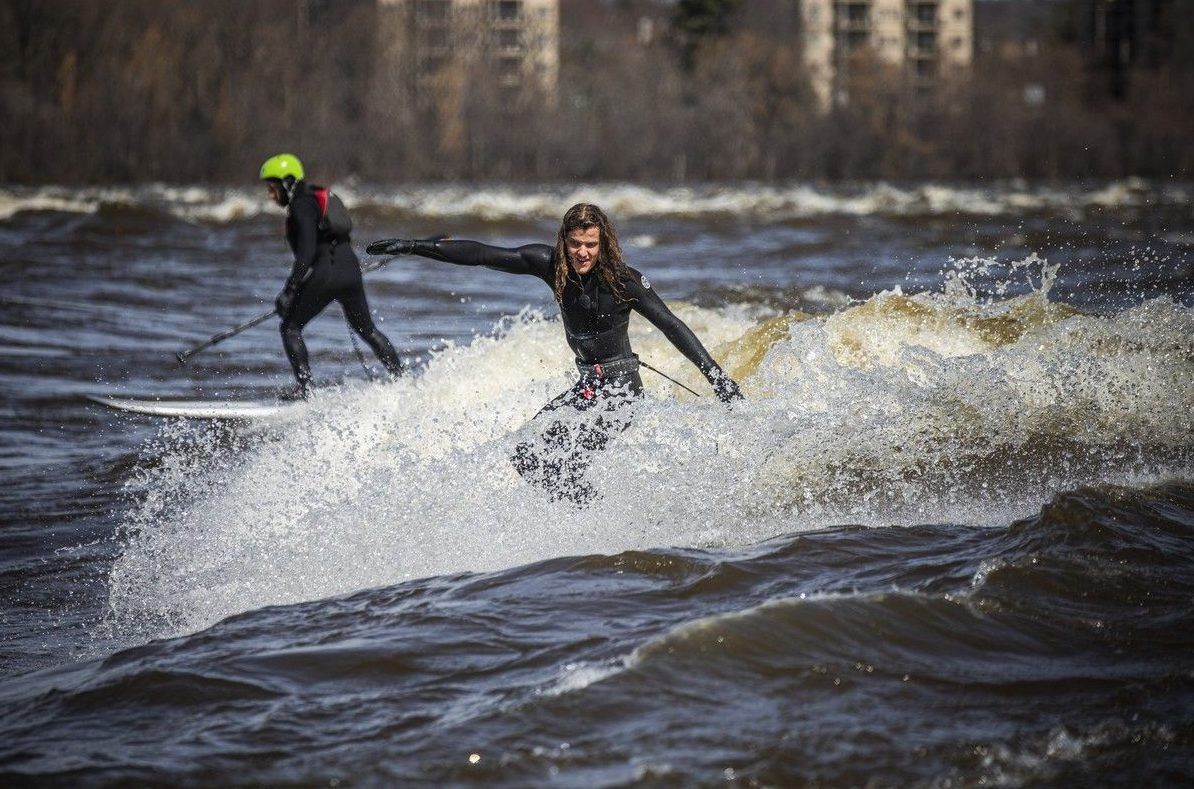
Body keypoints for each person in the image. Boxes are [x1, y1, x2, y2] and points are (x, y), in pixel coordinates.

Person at [367, 202, 743, 505]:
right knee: (528, 457)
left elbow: (672, 324)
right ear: (564, 240)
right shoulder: (551, 266)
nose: (582, 253)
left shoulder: (624, 280)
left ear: (603, 243)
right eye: (576, 243)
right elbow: (482, 254)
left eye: (591, 245)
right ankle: (591, 518)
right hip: (588, 387)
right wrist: (416, 246)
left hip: (621, 392)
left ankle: (597, 521)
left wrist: (716, 377)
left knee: (565, 464)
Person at [259, 153, 404, 397]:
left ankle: (305, 391)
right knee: (368, 330)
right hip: (350, 269)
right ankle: (402, 380)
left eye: (273, 188)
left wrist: (289, 290)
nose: (271, 195)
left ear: (287, 182)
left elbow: (305, 254)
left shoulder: (301, 205)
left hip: (328, 271)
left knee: (290, 328)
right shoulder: (315, 199)